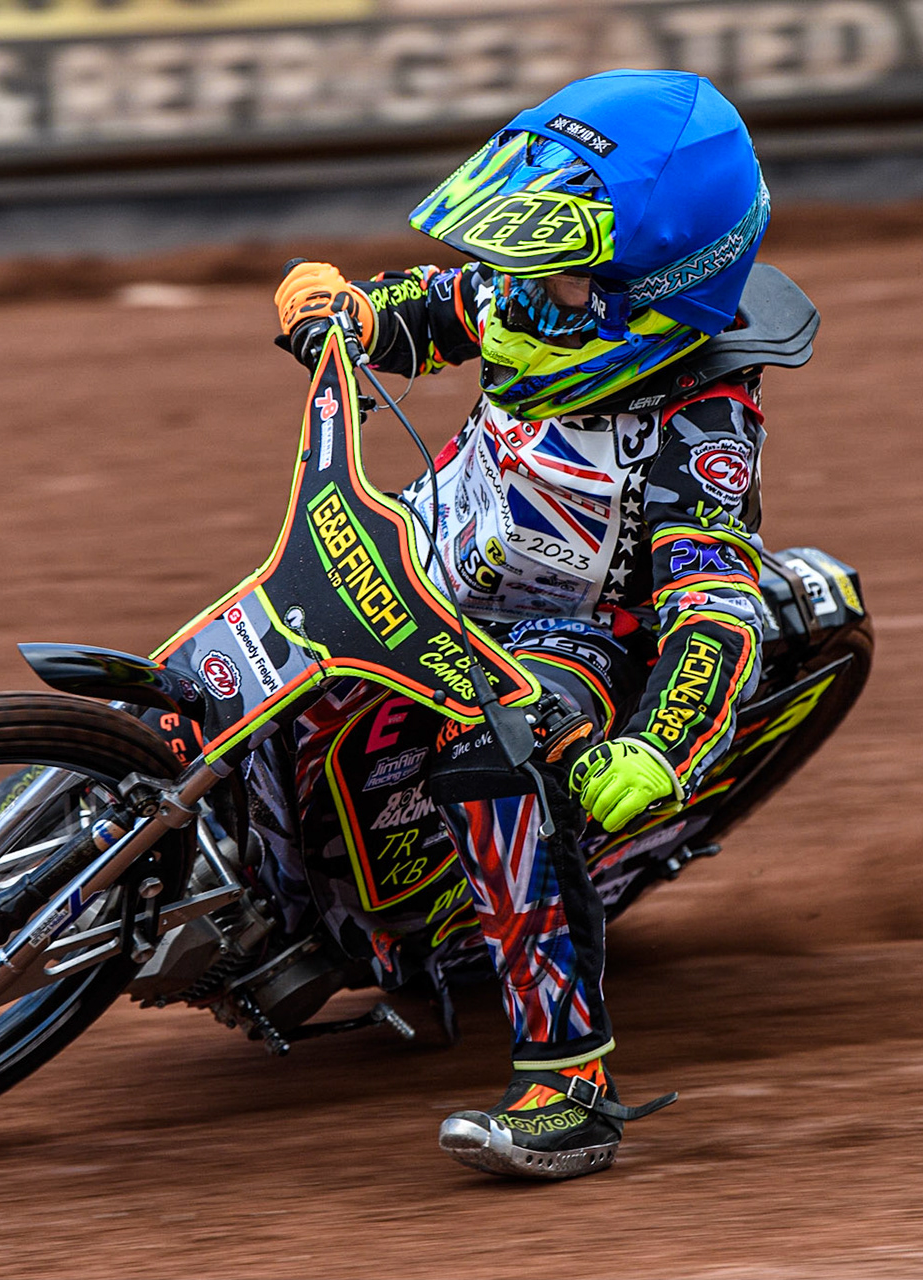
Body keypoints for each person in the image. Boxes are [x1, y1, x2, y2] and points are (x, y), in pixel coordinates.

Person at [268, 68, 776, 1180]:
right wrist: (346, 313)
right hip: (432, 555)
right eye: (518, 265)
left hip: (574, 633)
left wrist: (662, 743)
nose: (518, 299)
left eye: (555, 282)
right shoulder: (537, 288)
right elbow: (434, 306)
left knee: (486, 749)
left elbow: (715, 604)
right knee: (265, 650)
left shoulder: (702, 421)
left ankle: (569, 1086)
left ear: (652, 286)